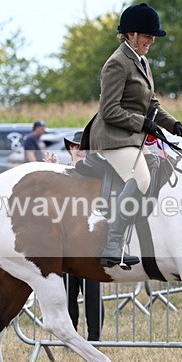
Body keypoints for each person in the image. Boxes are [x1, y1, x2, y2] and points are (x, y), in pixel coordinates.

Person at [83, 2, 182, 268]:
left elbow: (152, 103)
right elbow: (109, 111)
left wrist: (173, 124)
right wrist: (143, 124)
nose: (151, 40)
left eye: (152, 36)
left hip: (130, 136)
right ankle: (112, 244)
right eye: (146, 35)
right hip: (111, 137)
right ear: (129, 34)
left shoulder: (141, 61)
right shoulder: (117, 64)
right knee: (141, 178)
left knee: (157, 166)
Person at [63, 131, 104, 340]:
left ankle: (94, 339)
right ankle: (72, 339)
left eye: (84, 147)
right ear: (71, 149)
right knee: (67, 295)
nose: (81, 150)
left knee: (92, 294)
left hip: (89, 243)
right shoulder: (61, 173)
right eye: (77, 146)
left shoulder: (96, 174)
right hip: (65, 243)